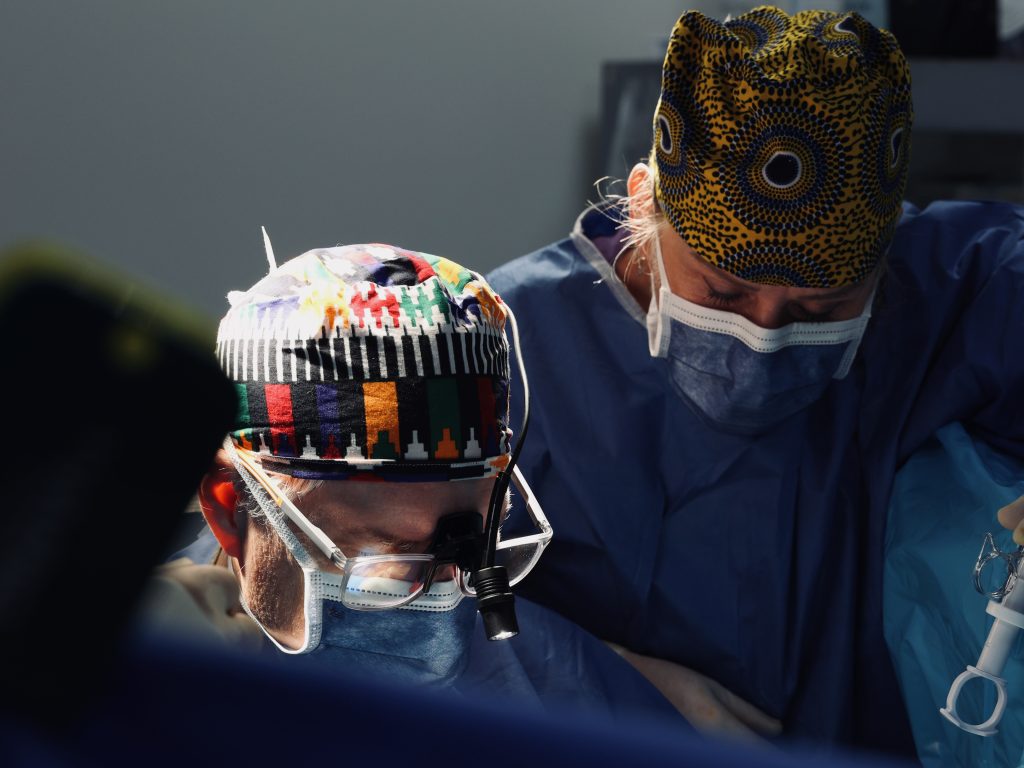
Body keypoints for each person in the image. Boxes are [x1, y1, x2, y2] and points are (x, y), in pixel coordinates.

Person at [486, 5, 1024, 757]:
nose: (765, 337)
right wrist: (594, 677)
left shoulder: (945, 291)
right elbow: (384, 597)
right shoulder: (504, 350)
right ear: (642, 201)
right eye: (723, 294)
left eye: (818, 309)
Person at [157, 240, 687, 725]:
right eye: (386, 566)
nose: (443, 612)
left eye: (472, 553)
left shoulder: (559, 694)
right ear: (231, 509)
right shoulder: (147, 669)